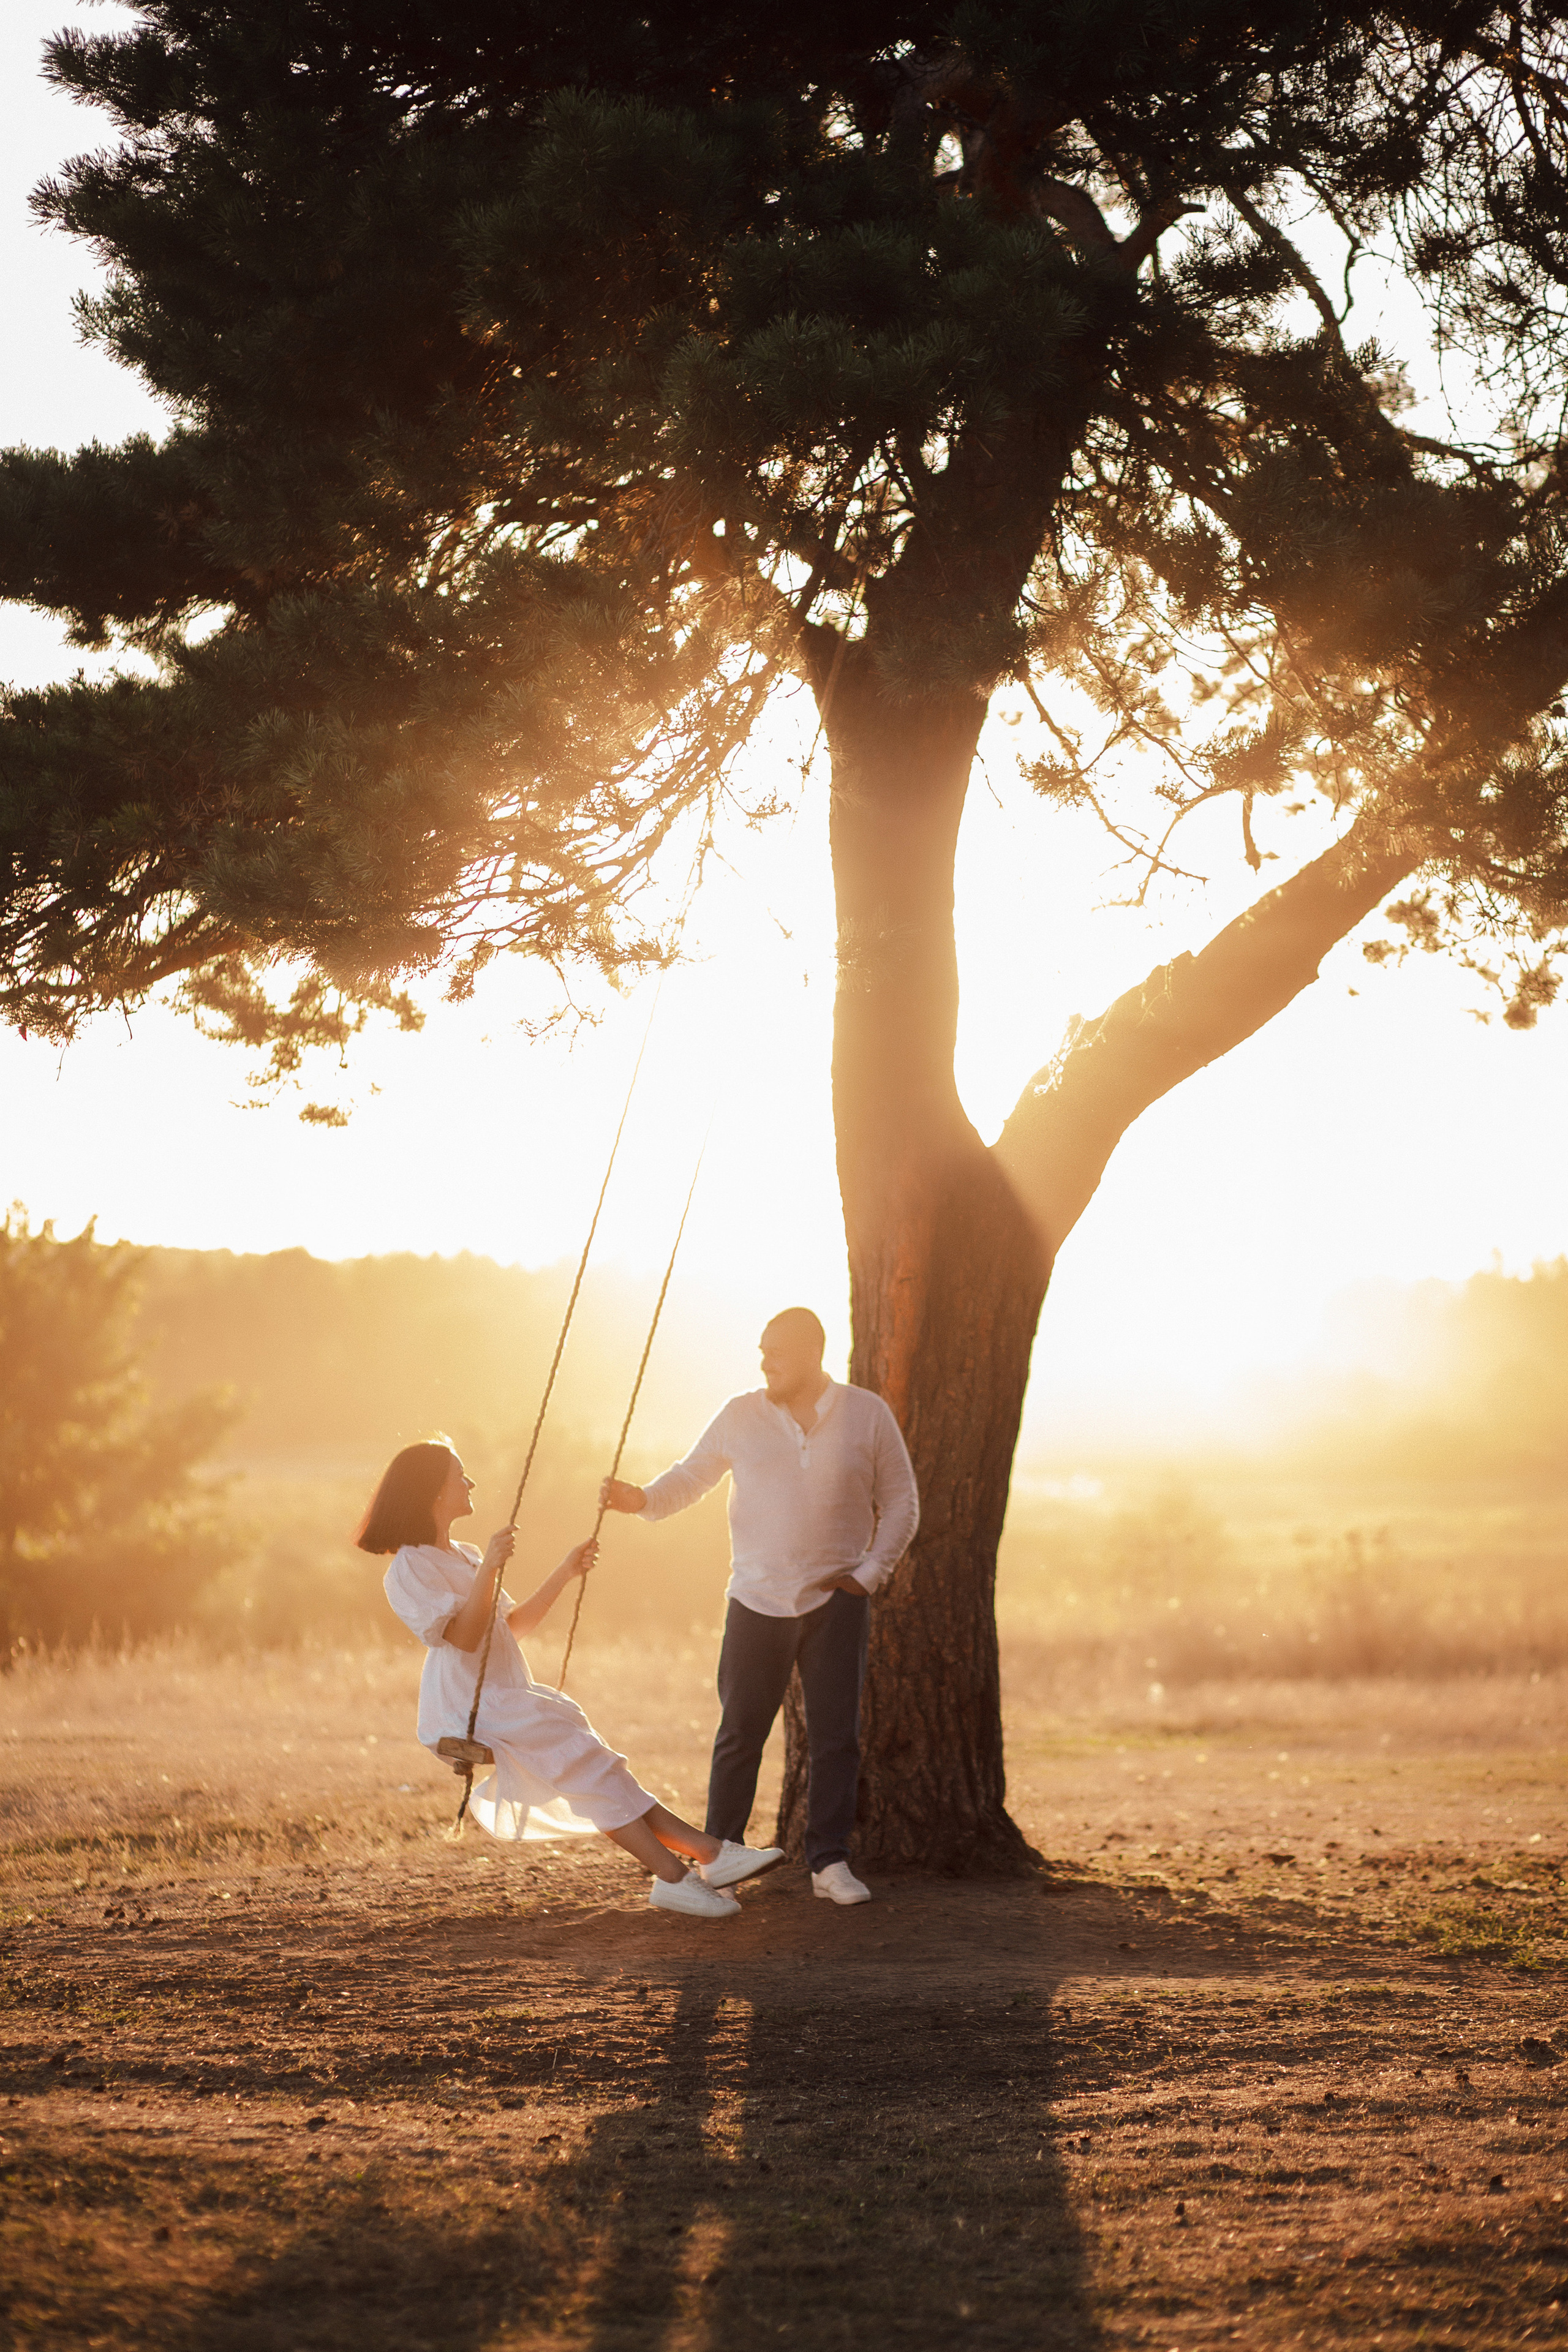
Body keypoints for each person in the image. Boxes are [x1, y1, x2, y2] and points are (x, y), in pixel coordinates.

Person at [357, 1436, 781, 1921]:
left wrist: (563, 1571)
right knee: (588, 1760)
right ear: (433, 1491)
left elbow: (511, 1629)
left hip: (506, 1693)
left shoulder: (465, 1553)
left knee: (596, 1764)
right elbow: (467, 1639)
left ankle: (693, 1867)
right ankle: (694, 1865)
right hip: (466, 1706)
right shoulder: (409, 1567)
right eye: (460, 1475)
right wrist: (490, 1569)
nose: (469, 1482)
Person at [600, 1308, 918, 1905]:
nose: (765, 1361)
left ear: (814, 1353)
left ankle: (828, 1862)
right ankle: (721, 1858)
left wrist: (870, 1574)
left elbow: (901, 1500)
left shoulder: (865, 1414)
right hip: (755, 1598)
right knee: (741, 1733)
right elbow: (689, 1478)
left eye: (778, 1352)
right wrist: (638, 1498)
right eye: (763, 1350)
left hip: (835, 1601)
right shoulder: (740, 1414)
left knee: (835, 1738)